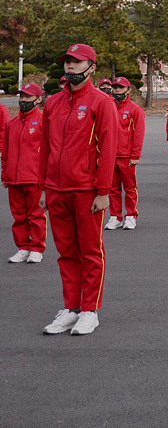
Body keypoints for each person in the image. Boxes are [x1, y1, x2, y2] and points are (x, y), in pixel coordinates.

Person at [39, 44, 119, 335]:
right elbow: (45, 148)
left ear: (92, 67)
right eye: (68, 62)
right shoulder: (53, 103)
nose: (71, 67)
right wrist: (44, 187)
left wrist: (103, 190)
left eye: (77, 62)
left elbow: (108, 149)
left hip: (86, 190)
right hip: (57, 189)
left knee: (90, 251)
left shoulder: (102, 103)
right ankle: (71, 308)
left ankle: (89, 310)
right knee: (65, 252)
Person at [3, 83, 47, 263]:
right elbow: (5, 151)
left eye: (27, 97)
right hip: (14, 178)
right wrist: (5, 173)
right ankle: (22, 247)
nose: (23, 100)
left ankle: (37, 248)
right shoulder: (11, 124)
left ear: (38, 99)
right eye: (21, 97)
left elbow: (48, 151)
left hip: (34, 177)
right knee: (19, 216)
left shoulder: (44, 121)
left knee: (35, 214)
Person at [104, 78, 145, 231]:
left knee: (129, 187)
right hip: (109, 155)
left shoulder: (135, 110)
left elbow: (138, 134)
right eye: (115, 88)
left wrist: (135, 155)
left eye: (120, 88)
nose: (117, 91)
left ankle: (130, 215)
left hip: (126, 155)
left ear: (128, 90)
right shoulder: (107, 107)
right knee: (112, 188)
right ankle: (115, 216)